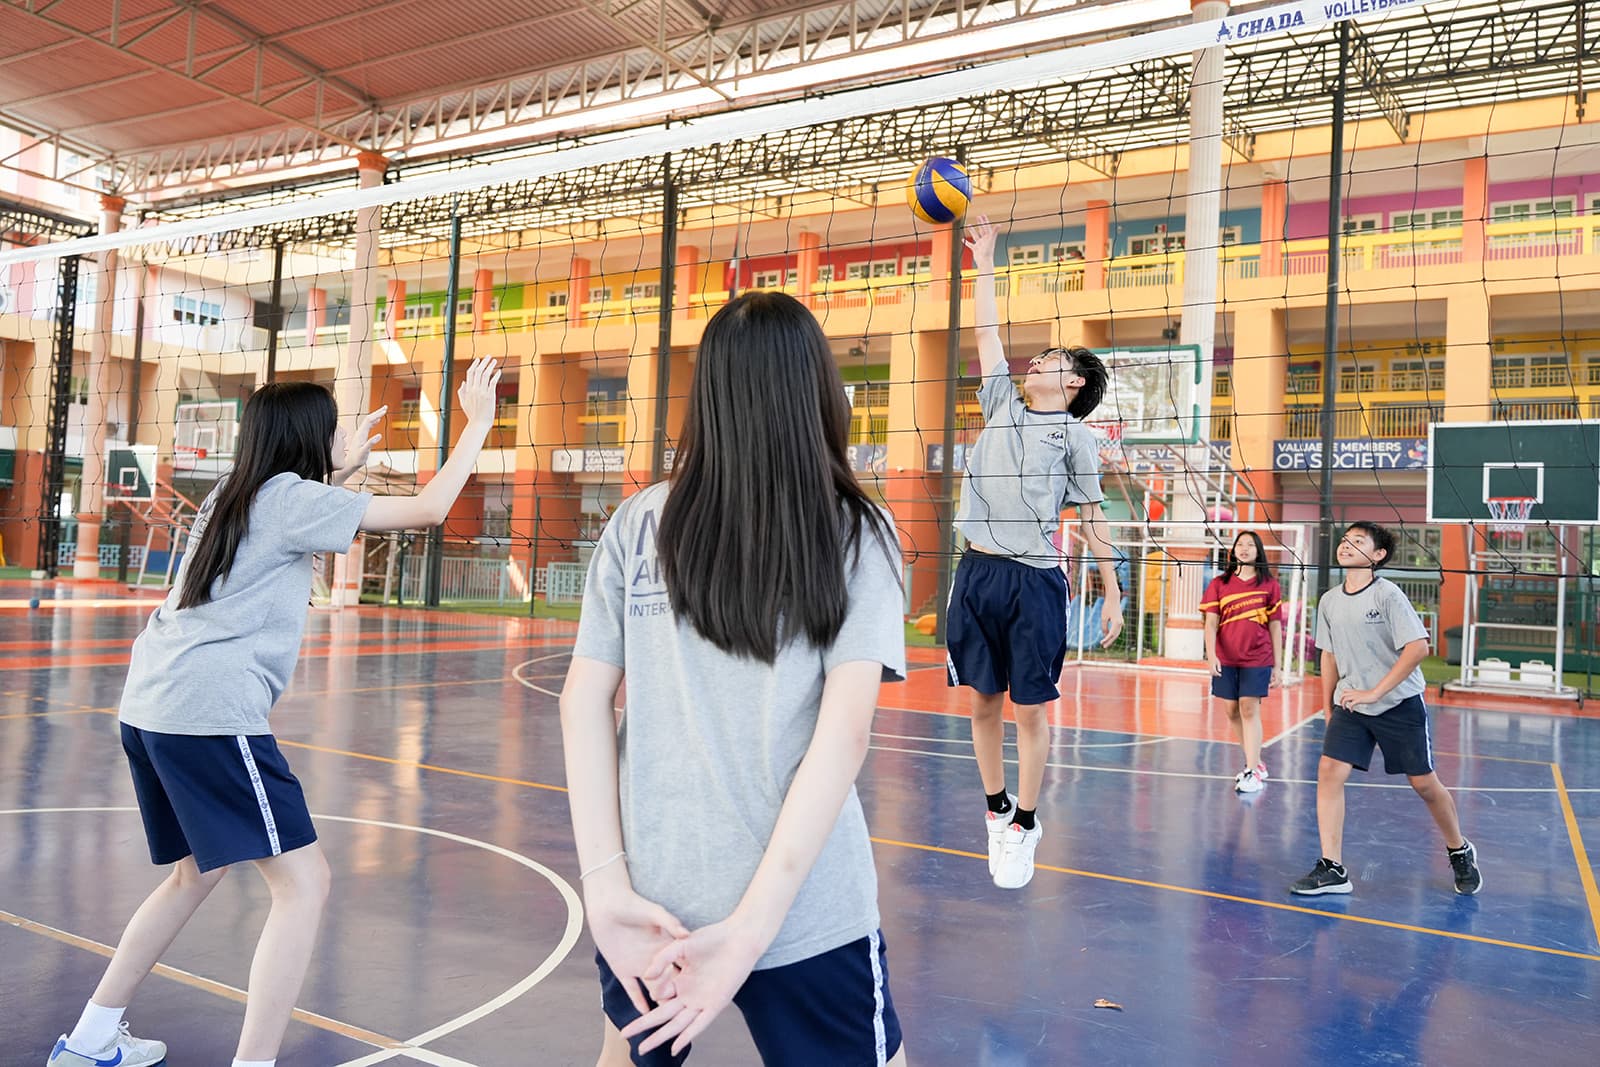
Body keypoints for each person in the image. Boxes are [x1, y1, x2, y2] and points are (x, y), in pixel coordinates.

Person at [45, 358, 503, 1067]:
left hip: (152, 703)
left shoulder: (236, 492)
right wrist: (478, 426)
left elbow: (295, 523)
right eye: (332, 431)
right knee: (305, 882)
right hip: (209, 710)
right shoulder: (292, 498)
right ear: (306, 440)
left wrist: (339, 471)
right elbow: (430, 508)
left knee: (194, 872)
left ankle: (92, 1037)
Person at [560, 291, 908, 1066]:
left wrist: (607, 887)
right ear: (818, 392)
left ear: (707, 392)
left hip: (655, 903)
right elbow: (844, 734)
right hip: (806, 909)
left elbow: (582, 698)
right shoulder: (857, 531)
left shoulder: (639, 521)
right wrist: (751, 928)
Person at [946, 214, 1124, 890]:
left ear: (1073, 383)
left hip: (1036, 580)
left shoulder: (1078, 439)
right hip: (978, 569)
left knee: (1029, 709)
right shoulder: (1002, 405)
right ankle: (995, 809)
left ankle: (1024, 821)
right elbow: (986, 330)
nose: (1037, 362)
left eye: (1052, 360)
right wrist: (985, 261)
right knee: (983, 703)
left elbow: (1094, 514)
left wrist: (1111, 588)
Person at [1289, 521, 1483, 897]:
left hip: (1398, 703)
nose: (1346, 545)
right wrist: (1329, 704)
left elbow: (1418, 648)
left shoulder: (1388, 595)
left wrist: (1373, 692)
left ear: (1377, 556)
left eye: (1357, 541)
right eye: (1345, 540)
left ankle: (1459, 849)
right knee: (1329, 772)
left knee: (1424, 784)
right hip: (1351, 703)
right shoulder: (1329, 601)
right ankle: (1333, 868)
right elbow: (1328, 655)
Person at [1200, 530, 1285, 794]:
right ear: (1233, 550)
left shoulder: (1269, 585)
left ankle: (1250, 770)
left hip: (1257, 657)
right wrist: (1211, 655)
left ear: (1258, 552)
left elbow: (1274, 627)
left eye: (1250, 545)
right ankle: (1257, 762)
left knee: (1249, 708)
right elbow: (1210, 623)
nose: (1244, 548)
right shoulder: (1218, 584)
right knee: (1231, 711)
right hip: (1226, 658)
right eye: (1240, 544)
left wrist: (1279, 666)